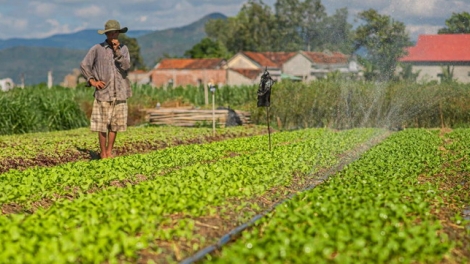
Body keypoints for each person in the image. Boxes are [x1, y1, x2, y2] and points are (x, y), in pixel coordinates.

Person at [80, 19, 132, 159]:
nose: (113, 35)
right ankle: (103, 153)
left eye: (115, 32)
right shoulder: (97, 49)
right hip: (103, 93)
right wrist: (92, 81)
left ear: (118, 33)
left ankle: (109, 151)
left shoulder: (124, 49)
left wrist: (117, 51)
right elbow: (85, 65)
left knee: (115, 125)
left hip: (120, 92)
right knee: (102, 125)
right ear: (106, 34)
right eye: (110, 33)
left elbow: (126, 66)